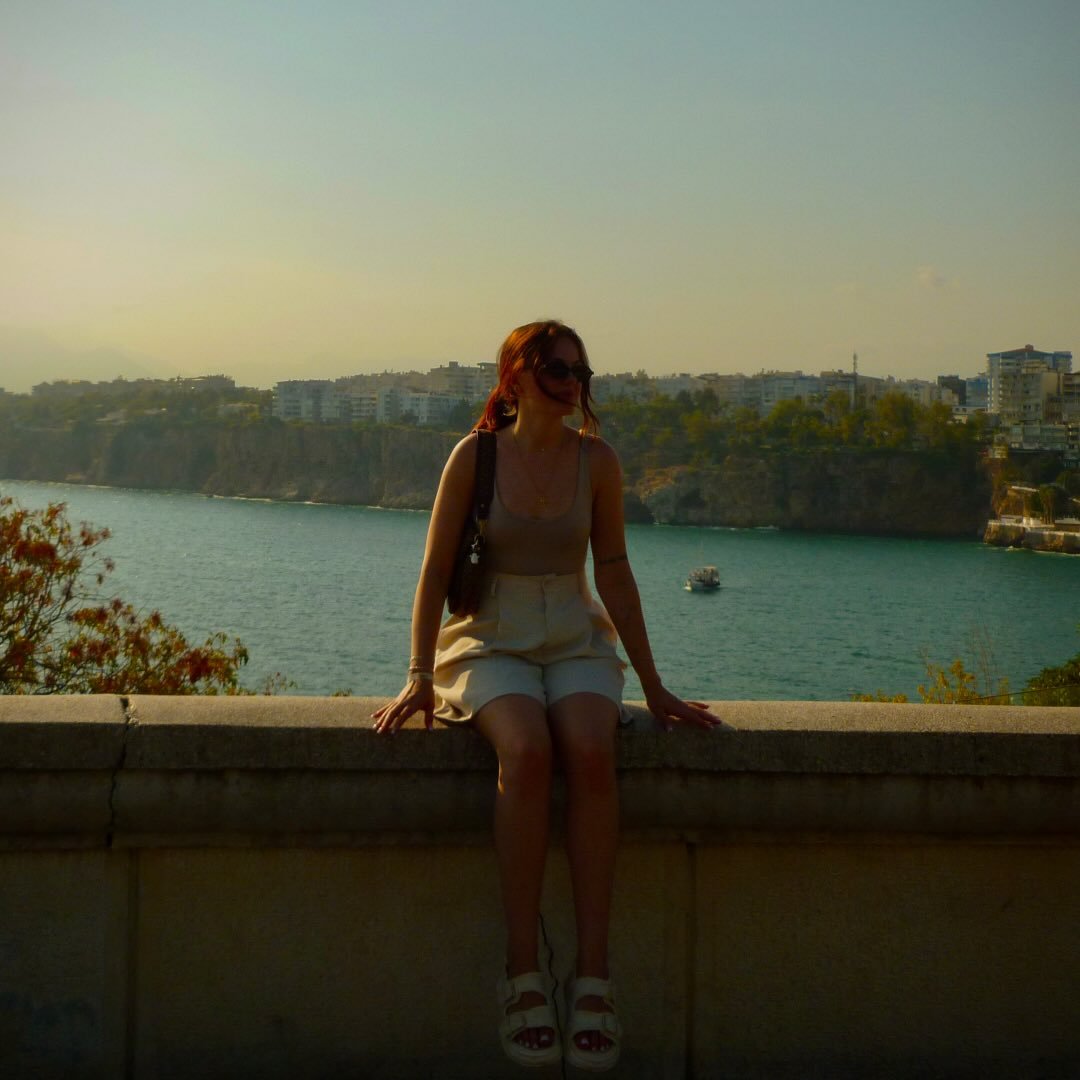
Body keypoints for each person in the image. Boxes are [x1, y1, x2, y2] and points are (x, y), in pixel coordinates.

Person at [373, 320, 720, 1070]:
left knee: (591, 749)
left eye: (580, 373)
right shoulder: (474, 456)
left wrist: (654, 685)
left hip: (573, 634)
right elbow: (434, 570)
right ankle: (522, 973)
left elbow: (614, 570)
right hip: (488, 637)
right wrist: (419, 673)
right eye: (557, 370)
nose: (571, 384)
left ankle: (594, 978)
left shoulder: (598, 461)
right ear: (515, 377)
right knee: (527, 751)